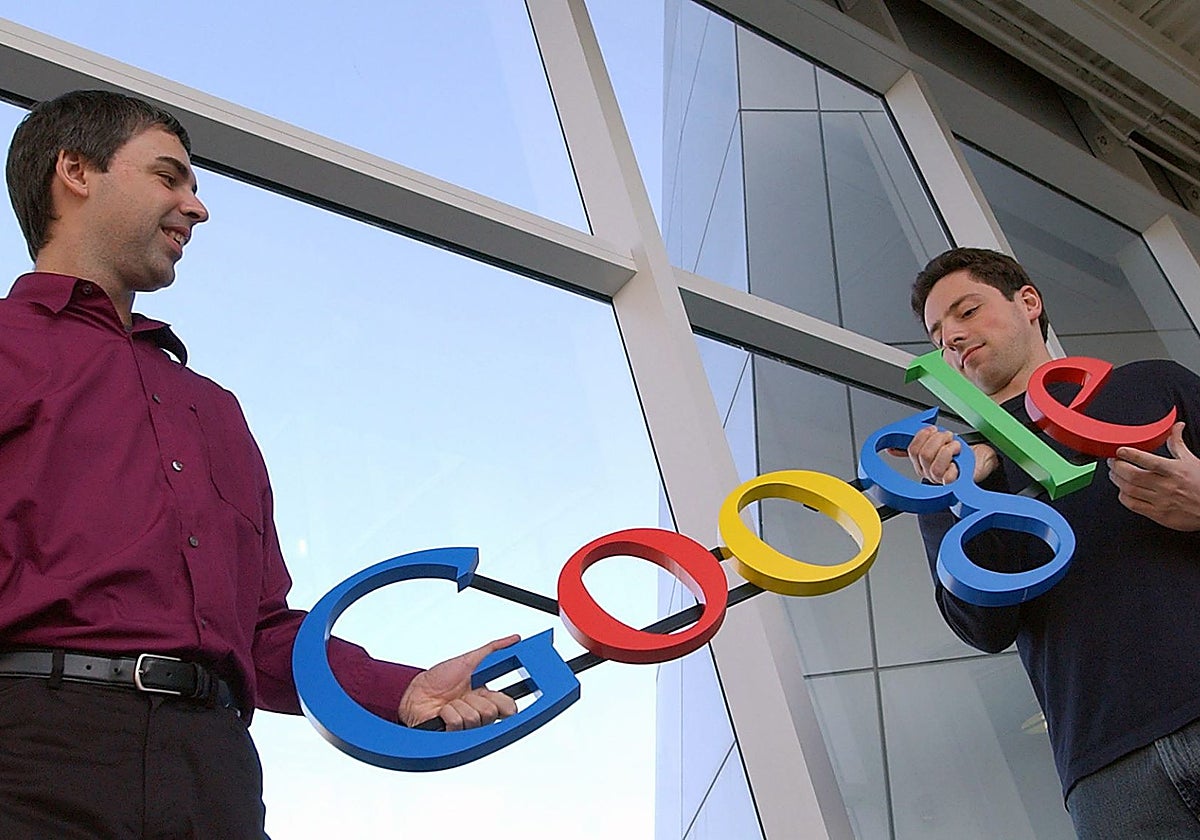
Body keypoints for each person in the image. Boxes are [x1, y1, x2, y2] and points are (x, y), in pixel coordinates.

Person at [0, 89, 518, 838]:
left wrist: (401, 692)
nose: (195, 208)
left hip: (215, 774)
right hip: (33, 755)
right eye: (169, 177)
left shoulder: (211, 408)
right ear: (75, 171)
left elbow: (260, 629)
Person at [907, 246, 1200, 837]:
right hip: (1108, 770)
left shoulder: (1151, 386)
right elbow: (981, 628)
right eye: (938, 336)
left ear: (1029, 302)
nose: (954, 338)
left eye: (967, 311)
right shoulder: (953, 467)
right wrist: (968, 491)